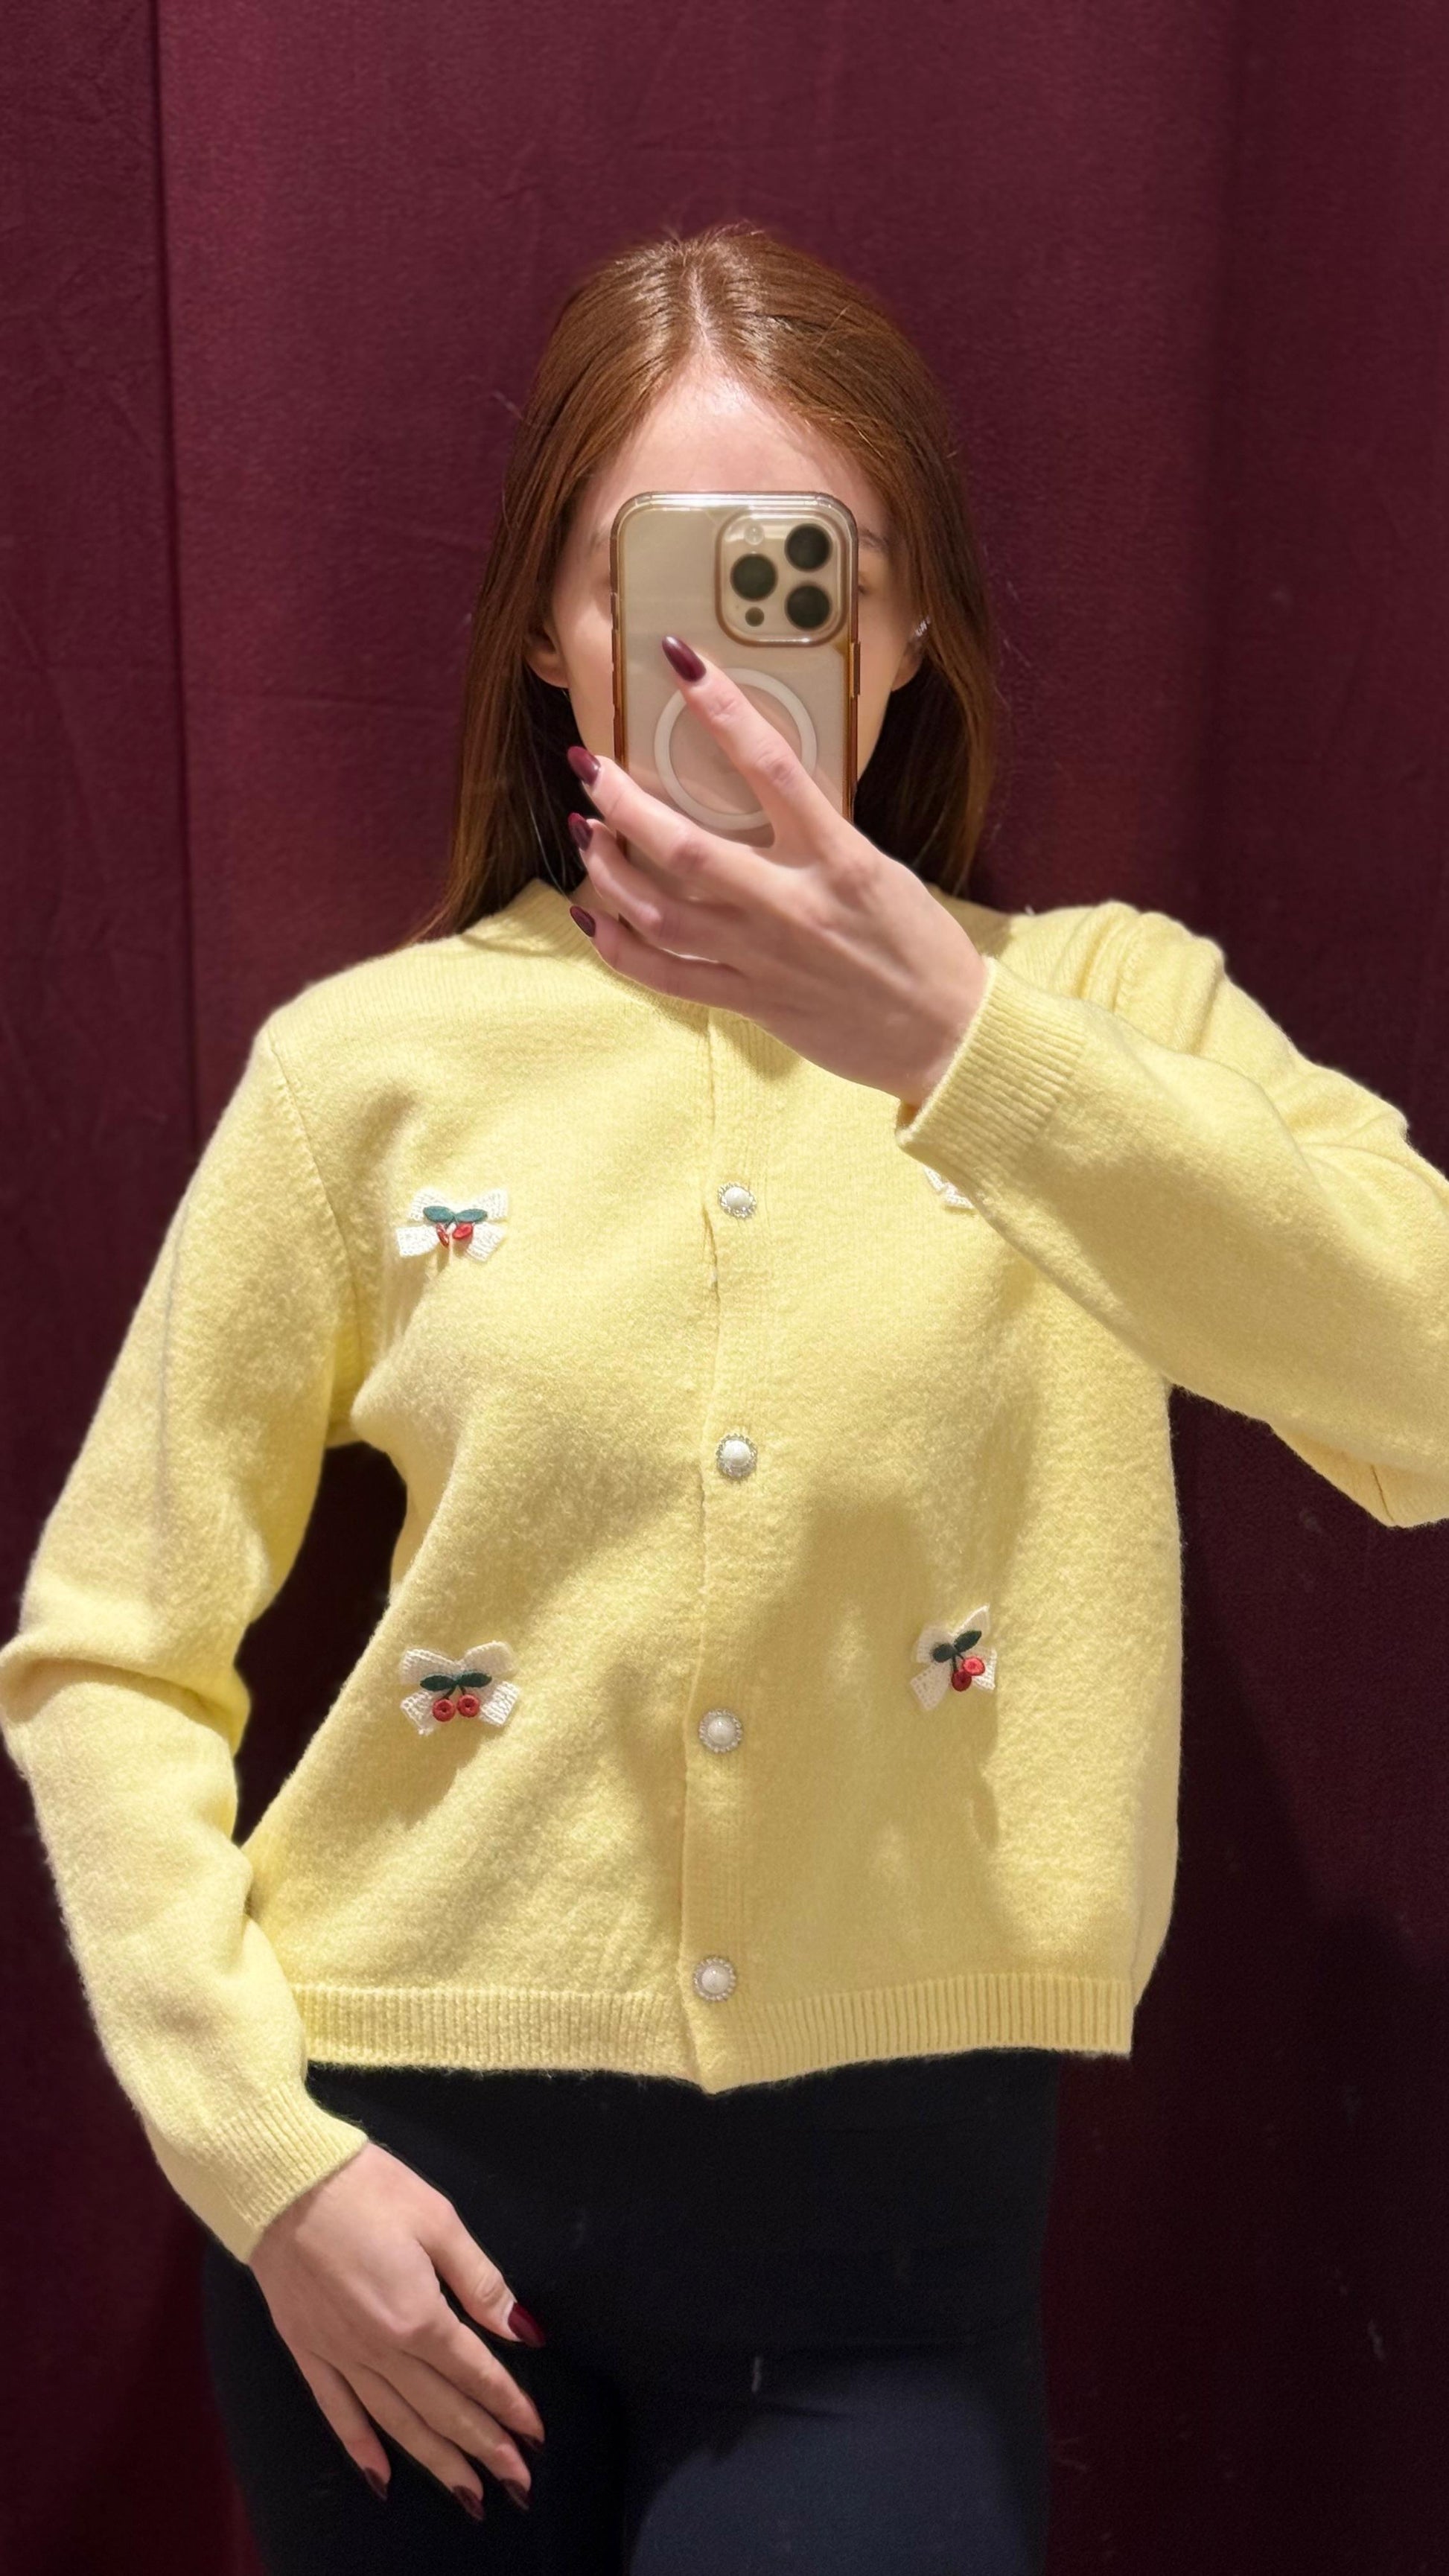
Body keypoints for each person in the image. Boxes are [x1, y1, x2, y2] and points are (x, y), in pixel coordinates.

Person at [4, 217, 1448, 2576]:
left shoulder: (1102, 1014)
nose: (725, 655)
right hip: (389, 2218)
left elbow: (1426, 1385)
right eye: (650, 578)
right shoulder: (363, 1071)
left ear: (905, 626)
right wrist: (261, 2159)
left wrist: (957, 1045)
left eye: (801, 573)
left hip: (883, 2239)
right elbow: (105, 1650)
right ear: (550, 634)